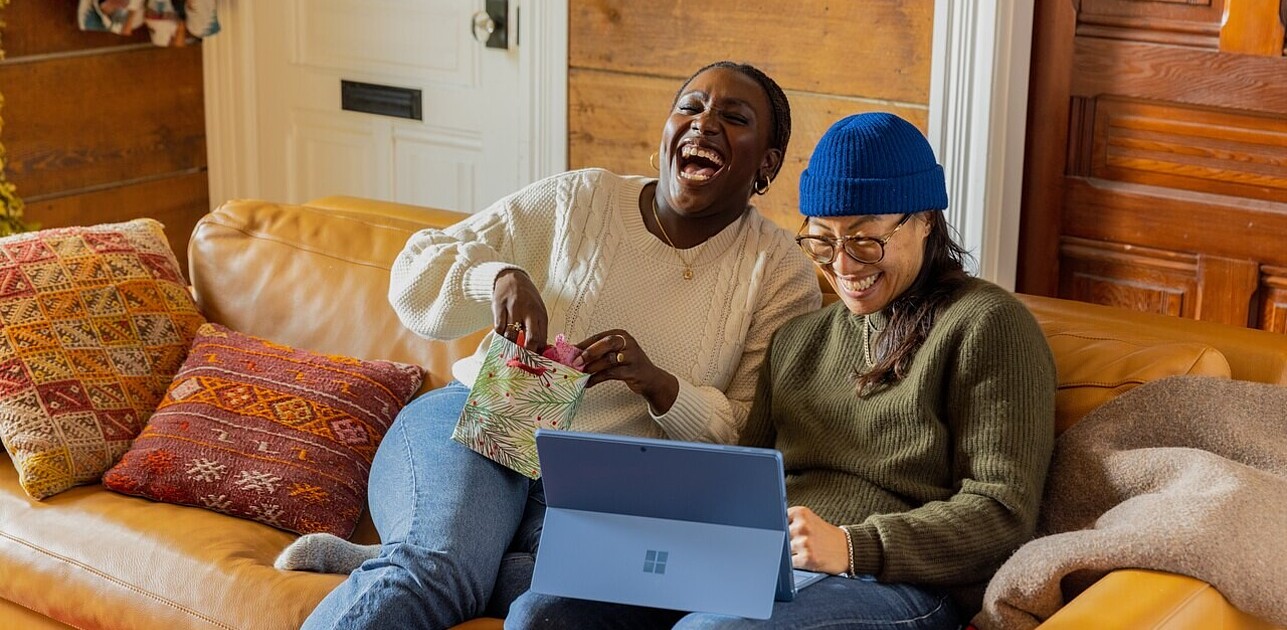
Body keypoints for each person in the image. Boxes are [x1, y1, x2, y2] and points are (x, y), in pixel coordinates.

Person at [277, 61, 822, 629]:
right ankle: (433, 554)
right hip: (484, 421)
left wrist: (662, 388)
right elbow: (415, 270)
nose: (704, 124)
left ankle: (436, 552)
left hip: (605, 490)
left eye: (733, 118)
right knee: (434, 571)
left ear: (767, 162)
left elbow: (751, 433)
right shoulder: (581, 200)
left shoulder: (778, 270)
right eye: (690, 107)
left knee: (548, 601)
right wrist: (497, 278)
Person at [505, 113, 1057, 629]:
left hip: (897, 578)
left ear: (925, 222)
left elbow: (1002, 511)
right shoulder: (798, 340)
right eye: (823, 240)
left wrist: (853, 545)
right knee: (543, 611)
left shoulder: (988, 324)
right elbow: (744, 477)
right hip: (761, 560)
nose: (842, 268)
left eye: (865, 241)